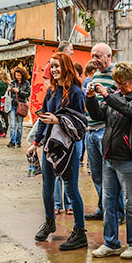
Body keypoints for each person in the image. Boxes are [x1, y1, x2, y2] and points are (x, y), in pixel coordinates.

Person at [86, 62, 132, 260]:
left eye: (122, 84)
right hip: (110, 157)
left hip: (130, 159)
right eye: (117, 84)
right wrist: (91, 99)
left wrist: (108, 95)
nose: (119, 87)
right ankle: (111, 242)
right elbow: (99, 115)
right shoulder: (118, 96)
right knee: (108, 203)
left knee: (131, 204)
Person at [29, 52, 87, 250]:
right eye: (51, 66)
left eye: (57, 66)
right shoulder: (52, 91)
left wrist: (58, 120)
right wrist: (35, 143)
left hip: (69, 146)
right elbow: (43, 118)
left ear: (66, 67)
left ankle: (80, 232)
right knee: (47, 187)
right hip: (50, 145)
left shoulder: (77, 93)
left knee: (71, 188)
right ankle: (49, 222)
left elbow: (81, 124)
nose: (53, 70)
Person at [83, 43, 123, 221]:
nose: (94, 60)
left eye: (98, 56)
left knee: (112, 175)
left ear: (109, 56)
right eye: (92, 56)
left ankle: (118, 212)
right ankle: (104, 208)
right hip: (91, 130)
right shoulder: (97, 75)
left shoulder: (117, 76)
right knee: (97, 175)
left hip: (104, 130)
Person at [7, 65, 31, 148]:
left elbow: (28, 94)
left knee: (19, 125)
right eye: (16, 75)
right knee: (13, 124)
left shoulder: (26, 83)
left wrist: (19, 91)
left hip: (21, 106)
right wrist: (9, 89)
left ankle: (18, 141)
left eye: (19, 75)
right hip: (13, 105)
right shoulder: (13, 82)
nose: (17, 77)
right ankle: (12, 141)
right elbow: (9, 91)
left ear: (22, 75)